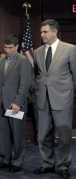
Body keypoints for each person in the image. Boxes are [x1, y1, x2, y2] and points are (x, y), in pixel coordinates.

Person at [32, 19, 76, 179]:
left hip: (62, 99)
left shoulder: (71, 49)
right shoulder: (37, 52)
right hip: (42, 99)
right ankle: (47, 164)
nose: (42, 34)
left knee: (64, 136)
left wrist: (70, 94)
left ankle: (64, 166)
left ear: (55, 31)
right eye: (41, 32)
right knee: (42, 135)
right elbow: (37, 75)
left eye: (45, 31)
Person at [0, 34, 31, 173]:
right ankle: (5, 159)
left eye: (10, 48)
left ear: (17, 47)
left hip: (16, 106)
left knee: (17, 136)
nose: (7, 50)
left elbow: (24, 84)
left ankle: (18, 161)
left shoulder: (23, 61)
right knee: (3, 135)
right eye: (5, 47)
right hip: (1, 104)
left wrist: (18, 102)